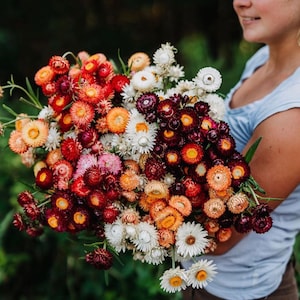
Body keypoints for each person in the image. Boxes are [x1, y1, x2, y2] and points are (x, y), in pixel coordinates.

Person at [182, 0, 300, 299]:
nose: (239, 2)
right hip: (202, 278)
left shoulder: (292, 116)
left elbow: (222, 234)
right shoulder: (262, 59)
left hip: (242, 291)